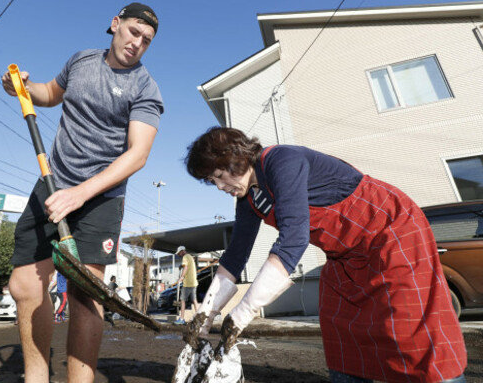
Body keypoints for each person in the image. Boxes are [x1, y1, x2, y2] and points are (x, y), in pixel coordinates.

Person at [184, 127, 467, 383]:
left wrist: (241, 314)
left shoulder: (281, 161)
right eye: (213, 181)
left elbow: (293, 240)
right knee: (339, 326)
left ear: (234, 158)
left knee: (411, 329)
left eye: (219, 176)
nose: (220, 187)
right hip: (347, 254)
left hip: (391, 230)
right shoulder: (249, 198)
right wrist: (205, 317)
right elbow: (234, 257)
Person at [0, 2, 163, 382]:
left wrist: (81, 193)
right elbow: (49, 94)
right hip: (53, 184)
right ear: (115, 24)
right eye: (134, 32)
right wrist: (21, 88)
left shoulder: (146, 88)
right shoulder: (81, 60)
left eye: (147, 40)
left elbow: (138, 154)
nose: (138, 42)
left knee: (85, 294)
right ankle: (35, 377)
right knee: (23, 284)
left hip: (100, 198)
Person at [173, 245, 198, 325]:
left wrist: (181, 277)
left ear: (182, 251)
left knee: (182, 300)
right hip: (194, 282)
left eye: (179, 253)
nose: (179, 255)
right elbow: (188, 266)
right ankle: (198, 318)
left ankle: (181, 319)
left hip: (187, 283)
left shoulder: (185, 257)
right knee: (194, 300)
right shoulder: (190, 257)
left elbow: (186, 267)